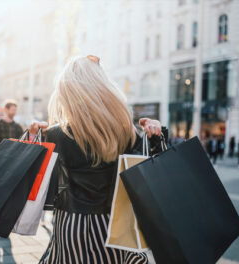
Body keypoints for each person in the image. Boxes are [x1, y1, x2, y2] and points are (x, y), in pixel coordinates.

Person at [28, 55, 164, 264]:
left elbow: (42, 183)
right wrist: (155, 136)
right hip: (113, 226)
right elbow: (152, 171)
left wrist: (34, 139)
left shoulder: (56, 134)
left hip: (70, 225)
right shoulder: (125, 132)